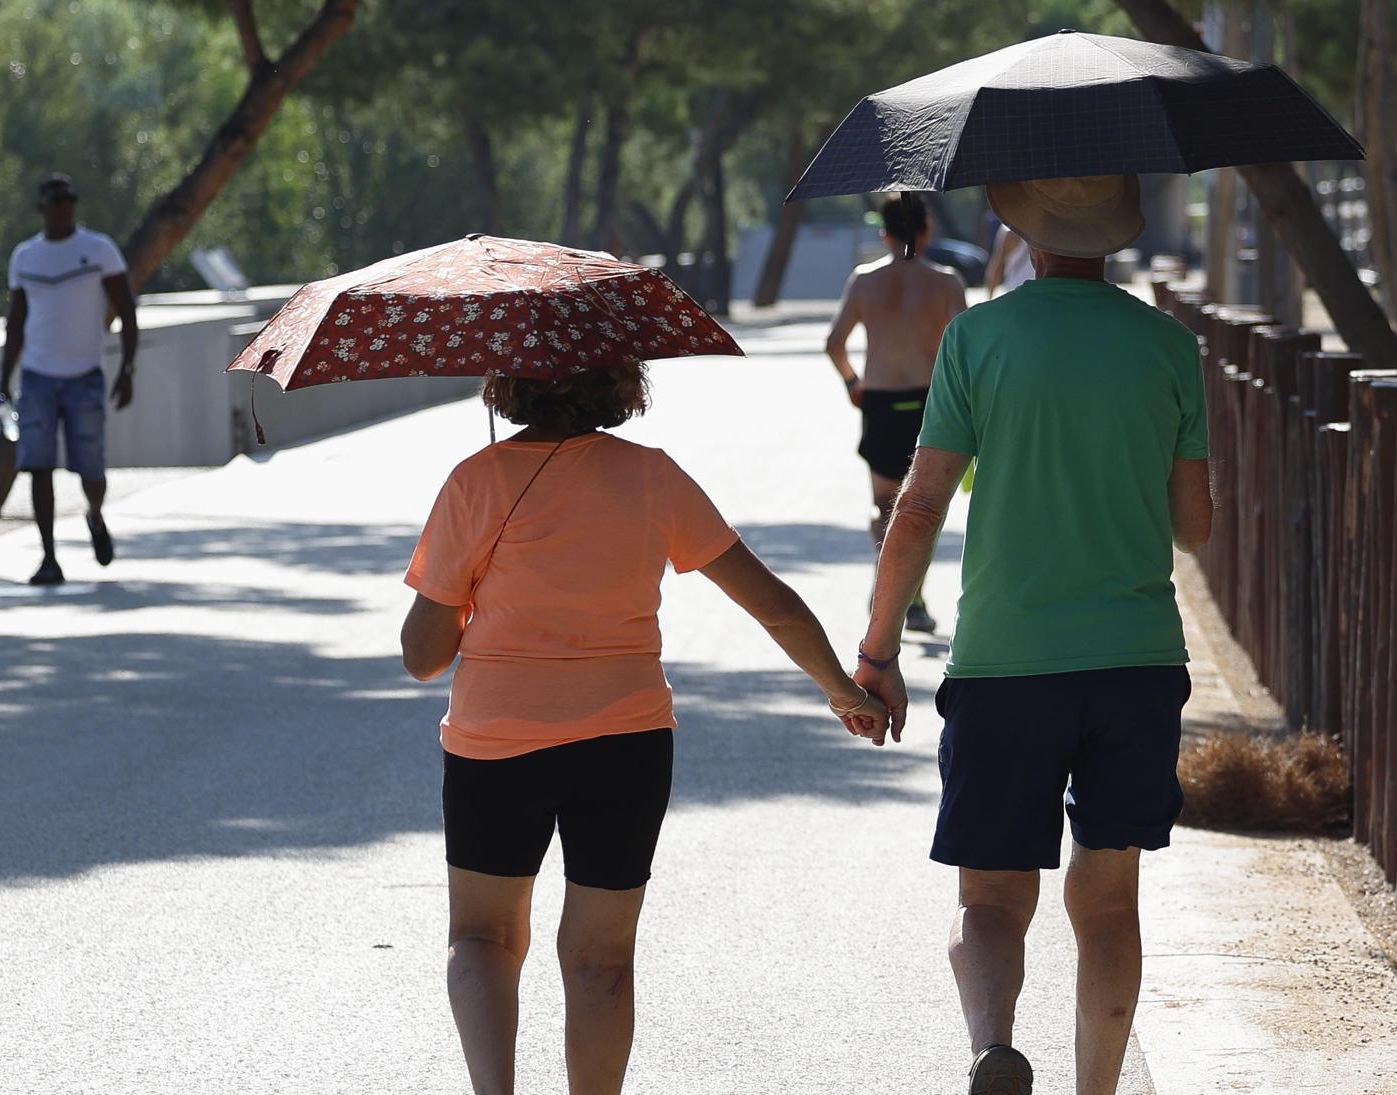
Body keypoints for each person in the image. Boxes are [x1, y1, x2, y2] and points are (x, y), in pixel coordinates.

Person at [399, 364, 889, 1095]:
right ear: (617, 381)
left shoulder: (475, 480)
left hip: (495, 741)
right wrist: (843, 691)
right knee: (601, 955)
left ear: (507, 384)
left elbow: (422, 656)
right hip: (625, 743)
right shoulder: (652, 477)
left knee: (482, 936)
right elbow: (773, 603)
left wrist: (473, 594)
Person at [848, 174, 1213, 1095]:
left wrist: (879, 649)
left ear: (1022, 231)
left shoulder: (977, 337)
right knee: (1109, 898)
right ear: (1117, 234)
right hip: (1134, 659)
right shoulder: (1169, 344)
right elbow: (1193, 525)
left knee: (990, 898)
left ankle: (992, 1048)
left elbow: (921, 502)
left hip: (1006, 660)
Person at [823, 194, 968, 635]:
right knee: (924, 507)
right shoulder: (945, 282)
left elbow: (835, 342)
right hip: (930, 405)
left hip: (882, 402)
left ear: (884, 233)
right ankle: (913, 597)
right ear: (926, 230)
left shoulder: (864, 281)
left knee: (884, 506)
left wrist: (853, 383)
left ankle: (888, 580)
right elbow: (964, 349)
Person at [0, 174, 138, 586]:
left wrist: (127, 369)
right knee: (38, 466)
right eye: (55, 201)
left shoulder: (98, 250)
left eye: (69, 199)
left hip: (84, 377)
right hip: (38, 377)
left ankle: (94, 514)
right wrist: (4, 381)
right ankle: (49, 558)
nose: (63, 207)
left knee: (90, 470)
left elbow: (127, 311)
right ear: (42, 208)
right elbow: (16, 323)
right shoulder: (25, 257)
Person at [982, 222, 1034, 298]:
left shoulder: (1010, 231)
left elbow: (998, 265)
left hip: (1015, 292)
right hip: (1038, 292)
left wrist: (989, 296)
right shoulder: (1045, 229)